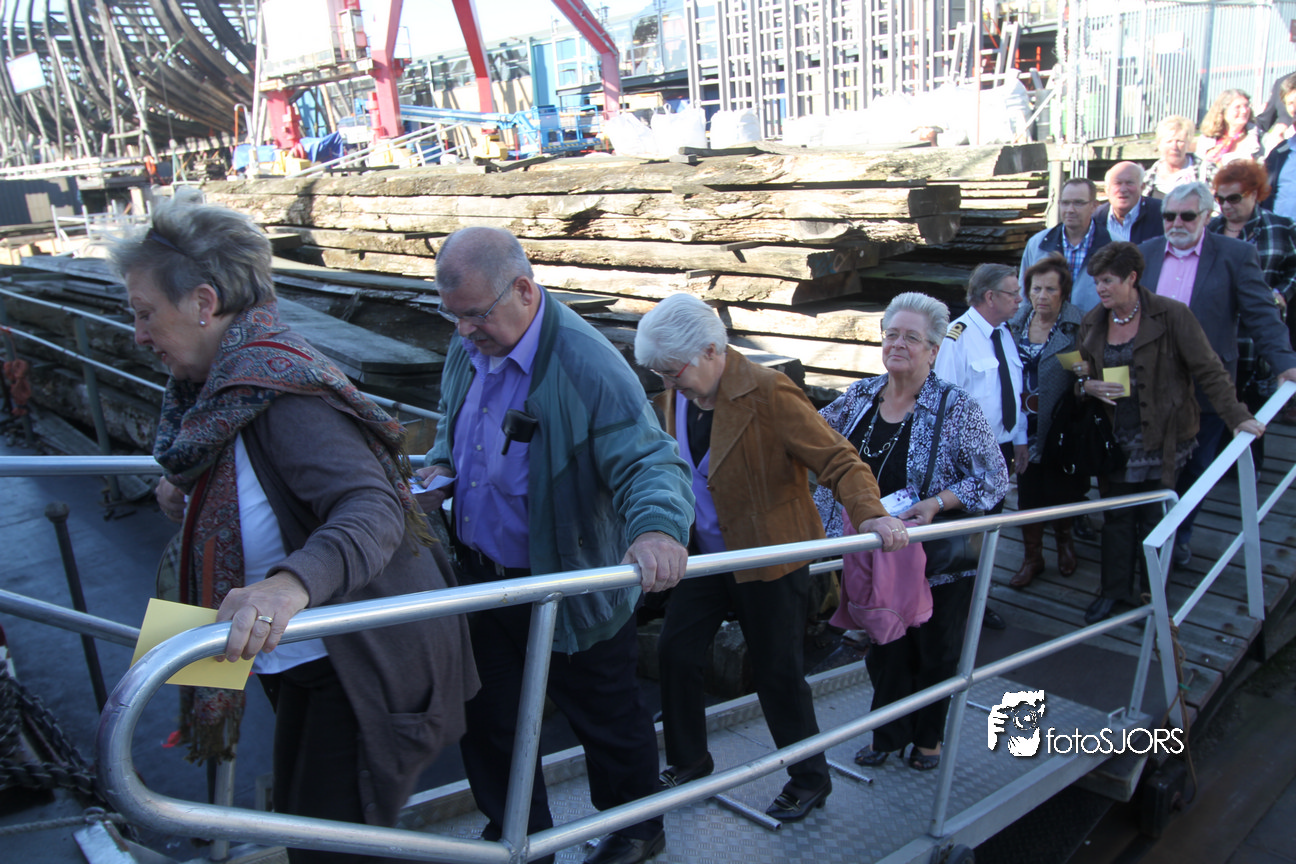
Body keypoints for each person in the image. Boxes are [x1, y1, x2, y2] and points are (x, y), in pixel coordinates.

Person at [119, 196, 478, 863]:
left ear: (204, 303)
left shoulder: (283, 393)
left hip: (357, 663)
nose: (138, 333)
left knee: (325, 846)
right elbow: (255, 482)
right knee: (309, 830)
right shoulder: (222, 396)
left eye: (145, 313)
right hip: (297, 659)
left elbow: (374, 508)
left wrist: (287, 587)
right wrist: (189, 489)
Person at [417, 227, 693, 864]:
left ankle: (637, 827)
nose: (462, 331)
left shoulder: (588, 364)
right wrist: (439, 466)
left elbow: (650, 460)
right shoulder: (469, 341)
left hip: (567, 582)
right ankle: (517, 835)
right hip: (481, 579)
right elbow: (451, 423)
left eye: (474, 315)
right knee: (487, 717)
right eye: (452, 315)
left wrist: (656, 530)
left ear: (523, 289)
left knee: (604, 713)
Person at [632, 294, 908, 821]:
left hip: (771, 558)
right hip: (706, 557)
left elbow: (838, 459)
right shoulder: (678, 394)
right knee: (676, 652)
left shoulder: (769, 391)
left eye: (671, 371)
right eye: (659, 373)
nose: (666, 382)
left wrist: (871, 514)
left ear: (711, 350)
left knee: (777, 673)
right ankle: (690, 760)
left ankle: (810, 778)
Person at [814, 292, 1009, 771]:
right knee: (884, 645)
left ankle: (928, 738)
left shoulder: (957, 407)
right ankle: (887, 734)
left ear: (933, 350)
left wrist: (937, 503)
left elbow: (993, 478)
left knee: (935, 647)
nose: (898, 344)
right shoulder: (860, 397)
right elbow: (811, 440)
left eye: (912, 338)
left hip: (932, 553)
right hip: (873, 552)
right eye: (892, 334)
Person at [1076, 242, 1264, 623]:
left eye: (1108, 281)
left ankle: (1153, 597)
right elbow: (1078, 372)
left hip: (1164, 438)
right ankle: (1113, 592)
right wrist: (1086, 386)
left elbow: (1209, 369)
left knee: (1156, 518)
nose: (1100, 289)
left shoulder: (1173, 314)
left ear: (1132, 278)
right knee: (1117, 518)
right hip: (1117, 441)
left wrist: (1237, 417)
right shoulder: (1093, 321)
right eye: (1097, 282)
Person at [1137, 182, 1296, 568]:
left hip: (1205, 387)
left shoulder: (1235, 255)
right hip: (1149, 384)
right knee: (1147, 465)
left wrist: (1285, 364)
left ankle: (1178, 537)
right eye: (1169, 215)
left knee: (1196, 466)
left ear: (1207, 216)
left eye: (1187, 215)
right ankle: (1145, 539)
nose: (1176, 223)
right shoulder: (1145, 253)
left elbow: (1262, 315)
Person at [932, 263, 1024, 631]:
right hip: (968, 458)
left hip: (1001, 451)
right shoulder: (958, 338)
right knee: (963, 537)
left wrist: (1019, 441)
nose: (1020, 300)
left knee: (988, 533)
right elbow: (942, 405)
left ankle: (977, 603)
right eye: (1013, 293)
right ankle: (955, 609)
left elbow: (1012, 392)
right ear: (990, 296)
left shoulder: (1003, 334)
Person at [1005, 254, 1087, 588]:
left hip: (1058, 425)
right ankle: (1032, 557)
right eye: (1036, 288)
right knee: (1028, 493)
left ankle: (1065, 543)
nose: (1042, 296)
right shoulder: (1014, 323)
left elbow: (1085, 371)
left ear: (1063, 293)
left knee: (1061, 490)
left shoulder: (1076, 327)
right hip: (1023, 425)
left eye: (1050, 289)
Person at [1019, 178, 1110, 313]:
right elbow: (1024, 295)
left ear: (1094, 206)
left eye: (1078, 203)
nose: (1070, 210)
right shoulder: (1038, 244)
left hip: (1094, 324)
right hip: (1047, 324)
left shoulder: (1112, 245)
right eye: (1065, 203)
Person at [1142, 115, 1216, 199]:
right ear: (1159, 144)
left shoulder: (1206, 171)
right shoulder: (1147, 178)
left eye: (1180, 141)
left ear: (1188, 143)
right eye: (1169, 141)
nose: (1174, 147)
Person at [1095, 162, 1164, 244]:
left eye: (1129, 183)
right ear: (1107, 189)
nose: (1123, 189)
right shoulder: (1094, 218)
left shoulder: (1162, 214)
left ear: (1142, 187)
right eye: (1117, 183)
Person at [1262, 75, 1296, 220]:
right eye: (1290, 103)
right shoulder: (1279, 154)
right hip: (1283, 230)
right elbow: (1264, 199)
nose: (1295, 108)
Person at [1198, 89, 1264, 165]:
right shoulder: (1207, 139)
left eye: (1246, 106)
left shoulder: (1261, 139)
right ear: (1223, 111)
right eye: (1237, 107)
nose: (1244, 111)